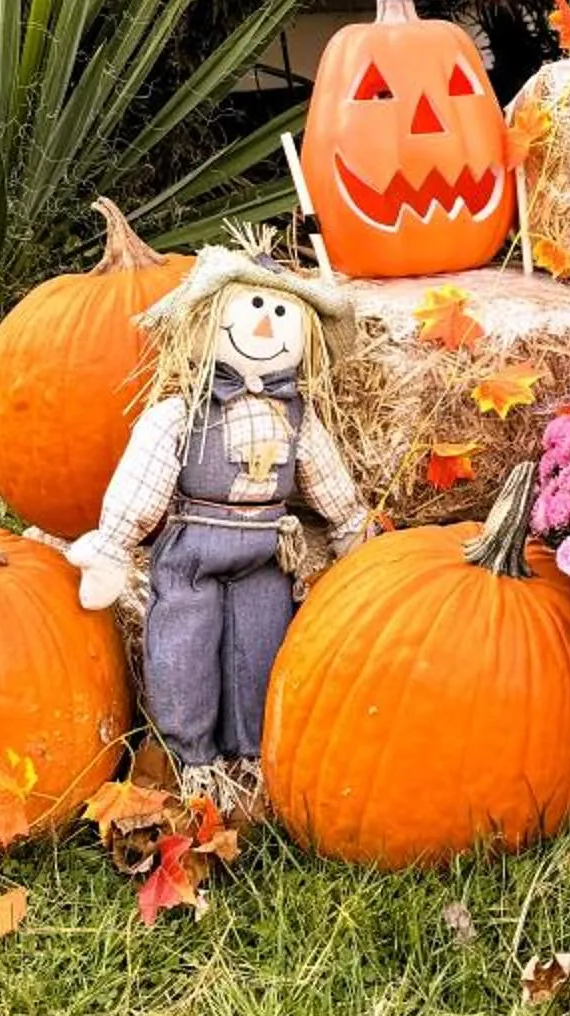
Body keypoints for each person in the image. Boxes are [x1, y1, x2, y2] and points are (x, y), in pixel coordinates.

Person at [69, 244, 367, 814]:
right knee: (184, 646)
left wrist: (351, 527)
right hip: (195, 547)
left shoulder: (298, 417)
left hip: (266, 551)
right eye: (253, 307)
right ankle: (193, 760)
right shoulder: (180, 413)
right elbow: (144, 480)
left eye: (280, 313)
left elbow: (326, 479)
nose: (265, 324)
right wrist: (114, 544)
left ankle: (253, 757)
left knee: (263, 645)